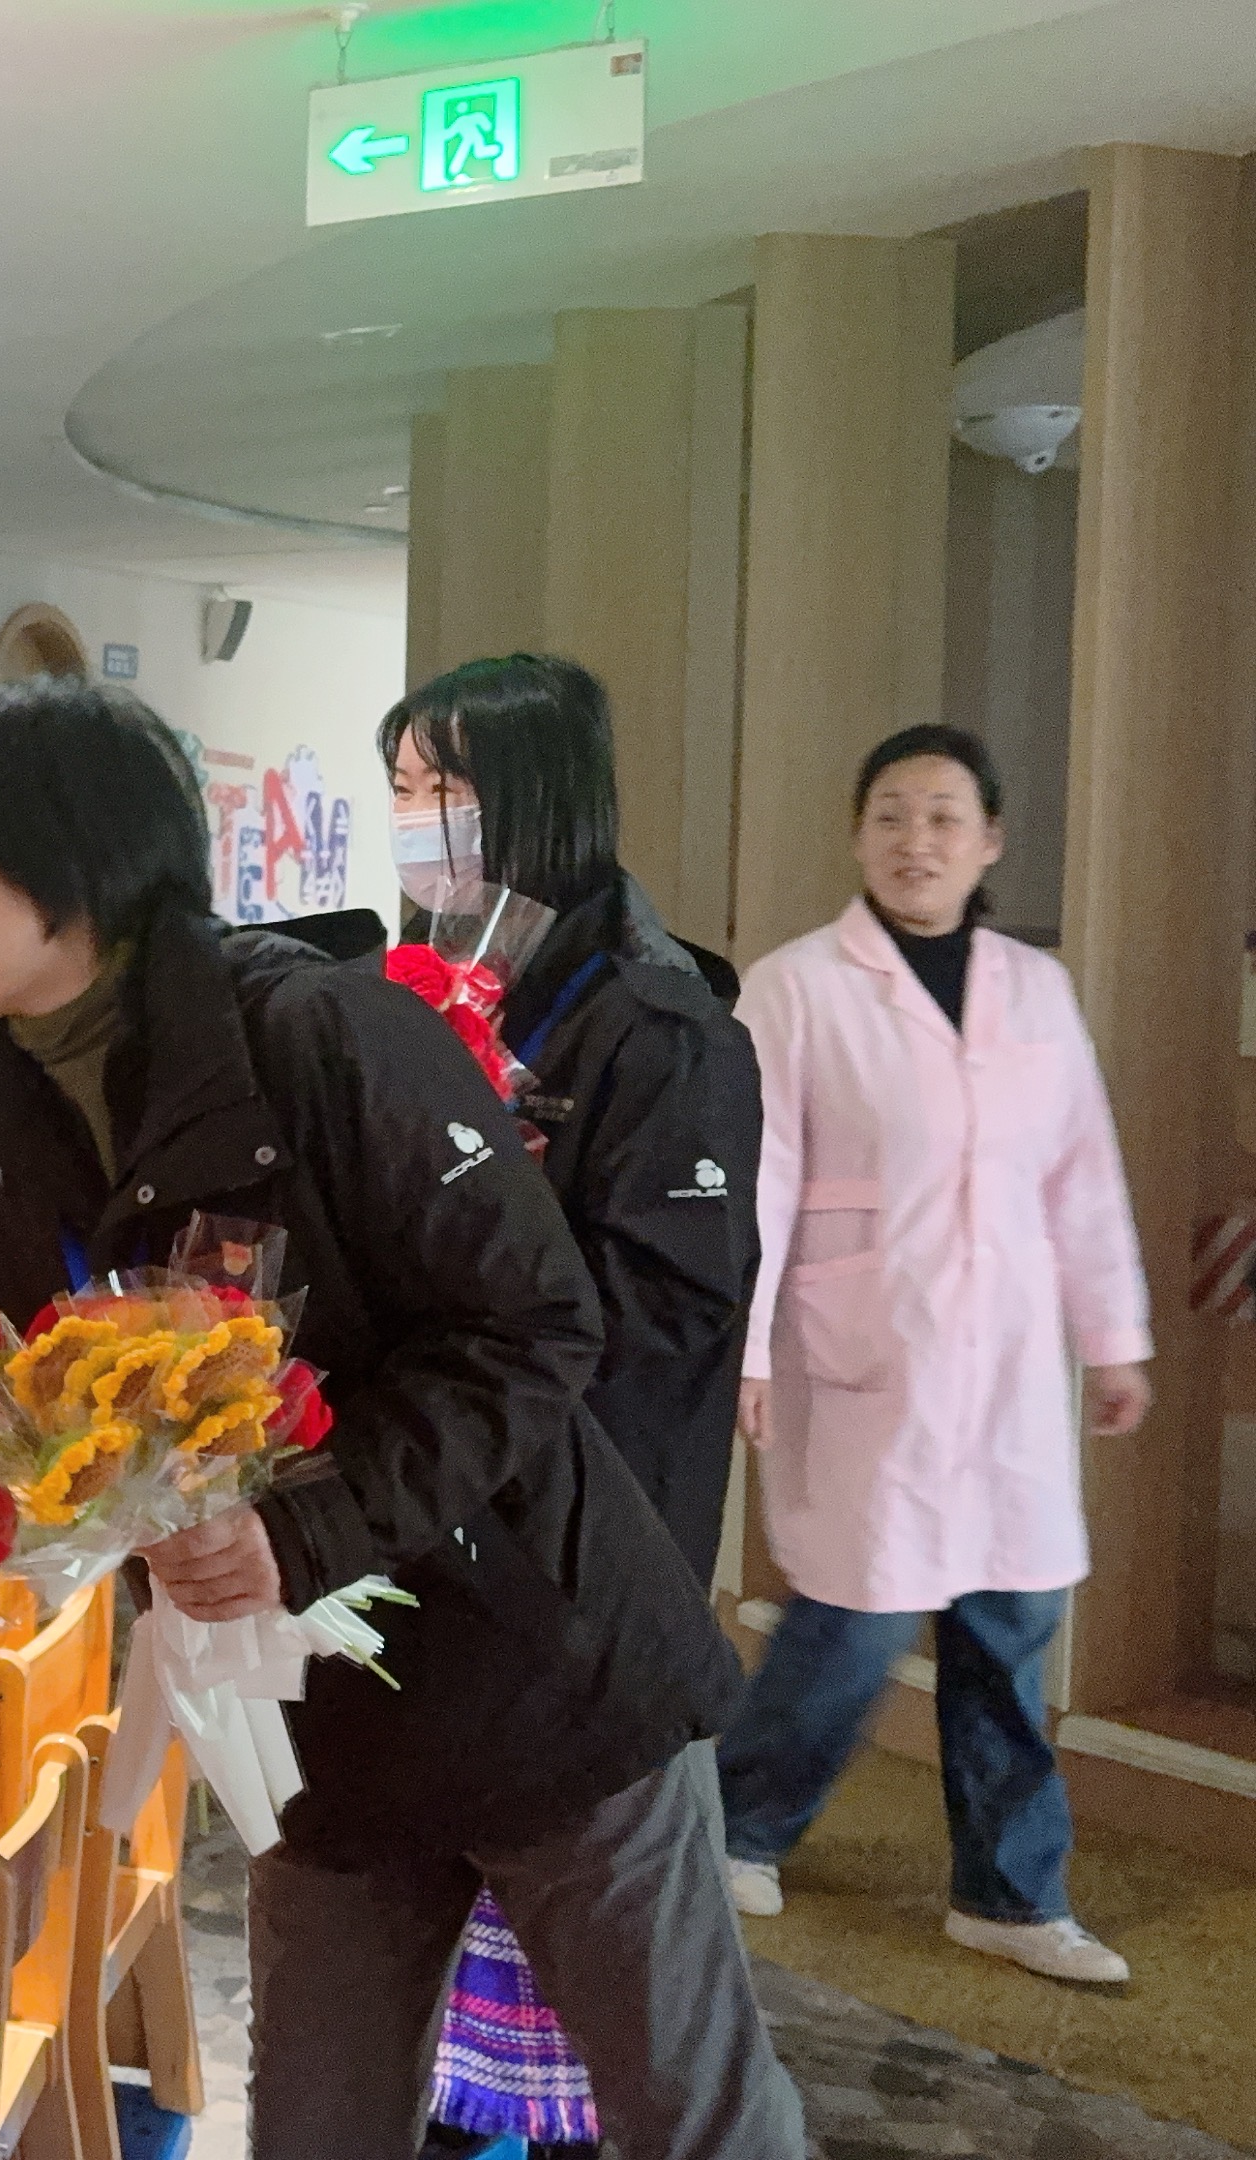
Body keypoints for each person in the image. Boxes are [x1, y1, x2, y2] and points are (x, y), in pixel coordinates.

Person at [0, 675, 803, 2160]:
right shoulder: (1, 1127)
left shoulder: (323, 1036)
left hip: (546, 1669)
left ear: (64, 854)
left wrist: (301, 1529)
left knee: (691, 2118)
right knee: (317, 2128)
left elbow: (532, 1327)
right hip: (314, 1723)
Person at [385, 655, 766, 2159]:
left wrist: (481, 1286)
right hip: (456, 1541)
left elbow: (664, 1306)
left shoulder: (660, 1029)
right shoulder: (435, 989)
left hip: (590, 1559)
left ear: (535, 801)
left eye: (443, 789)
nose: (417, 819)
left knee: (618, 2004)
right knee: (453, 1979)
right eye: (403, 789)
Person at [718, 723, 1152, 1986]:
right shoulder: (797, 987)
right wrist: (744, 1346)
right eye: (893, 816)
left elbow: (1081, 1175)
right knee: (852, 1624)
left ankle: (1010, 1894)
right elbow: (758, 1176)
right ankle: (738, 1826)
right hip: (866, 1349)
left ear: (991, 841)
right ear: (859, 837)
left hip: (1007, 1364)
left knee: (1012, 1623)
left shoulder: (1037, 991)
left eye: (945, 817)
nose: (918, 841)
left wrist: (1113, 1339)